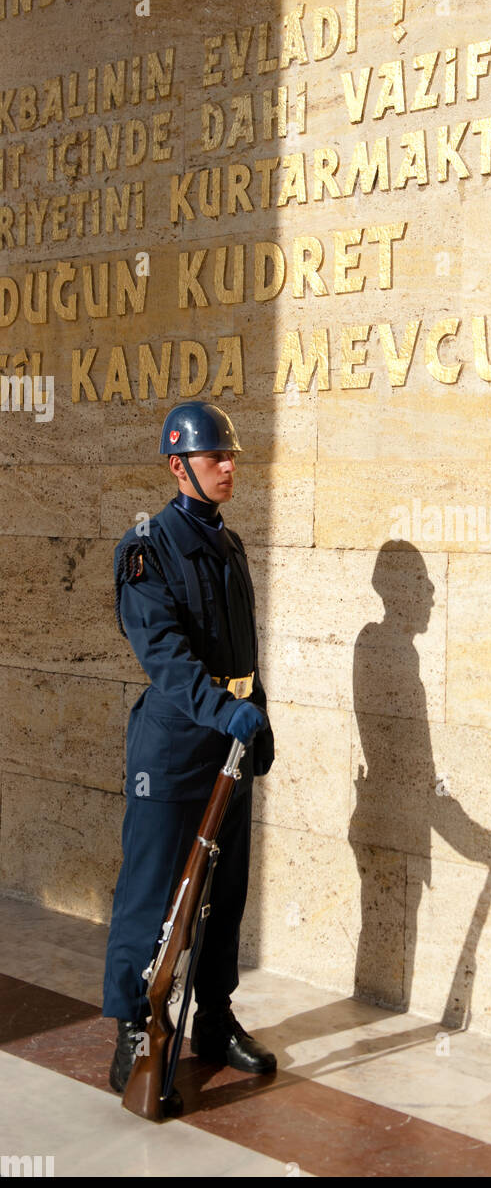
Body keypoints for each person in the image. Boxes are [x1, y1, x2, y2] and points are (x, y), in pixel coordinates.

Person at [102, 400, 277, 1113]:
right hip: (173, 752)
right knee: (153, 899)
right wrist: (226, 711)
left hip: (229, 746)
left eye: (232, 456)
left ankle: (215, 1018)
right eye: (216, 458)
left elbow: (240, 651)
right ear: (180, 466)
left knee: (223, 896)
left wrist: (258, 713)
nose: (230, 467)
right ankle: (136, 1034)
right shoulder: (147, 548)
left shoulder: (228, 545)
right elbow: (169, 664)